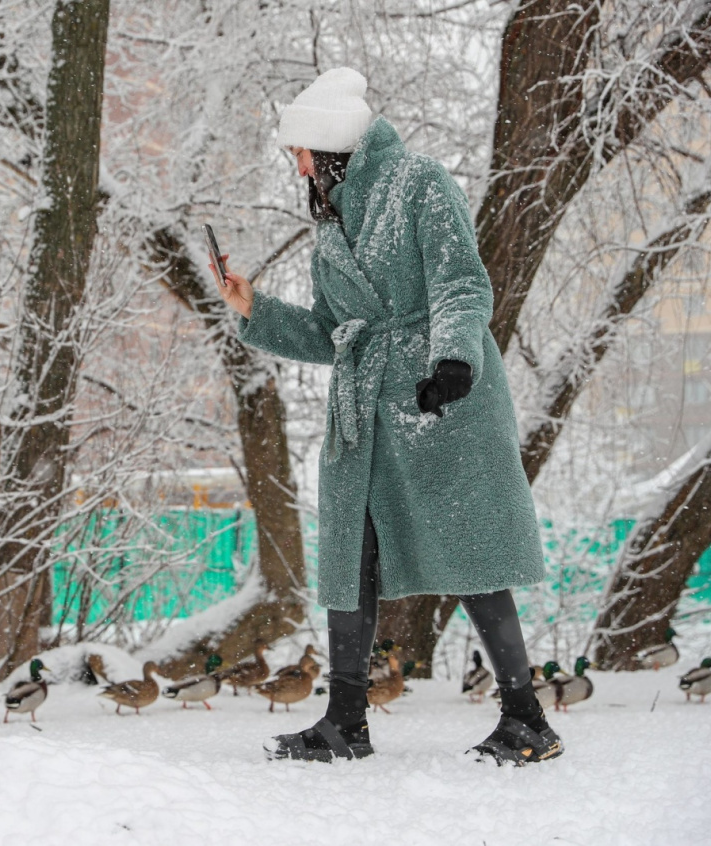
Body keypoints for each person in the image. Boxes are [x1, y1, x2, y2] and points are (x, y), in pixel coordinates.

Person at [213, 68, 562, 766]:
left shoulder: (419, 184)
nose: (298, 167)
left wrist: (453, 361)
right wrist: (256, 309)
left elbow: (460, 282)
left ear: (330, 145)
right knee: (353, 556)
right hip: (363, 408)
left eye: (301, 152)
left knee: (470, 552)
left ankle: (526, 719)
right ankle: (346, 722)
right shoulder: (330, 225)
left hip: (440, 398)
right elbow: (329, 331)